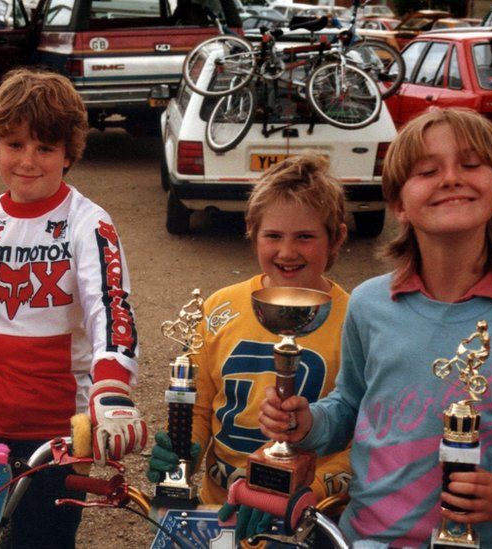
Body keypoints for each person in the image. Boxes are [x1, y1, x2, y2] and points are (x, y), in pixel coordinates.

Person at [259, 108, 492, 547]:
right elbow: (350, 406)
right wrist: (309, 424)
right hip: (366, 539)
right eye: (427, 170)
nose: (451, 178)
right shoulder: (369, 304)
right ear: (399, 204)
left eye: (471, 164)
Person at [0, 68, 147, 548]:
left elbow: (110, 306)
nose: (28, 161)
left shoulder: (89, 223)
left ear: (68, 154)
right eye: (14, 145)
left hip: (54, 429)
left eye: (45, 148)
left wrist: (113, 387)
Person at [146, 155, 353, 536]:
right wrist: (181, 451)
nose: (287, 252)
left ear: (336, 237)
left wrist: (308, 489)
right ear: (251, 231)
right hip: (220, 508)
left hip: (307, 517)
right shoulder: (219, 307)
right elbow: (202, 406)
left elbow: (362, 438)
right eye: (273, 236)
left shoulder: (355, 320)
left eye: (305, 236)